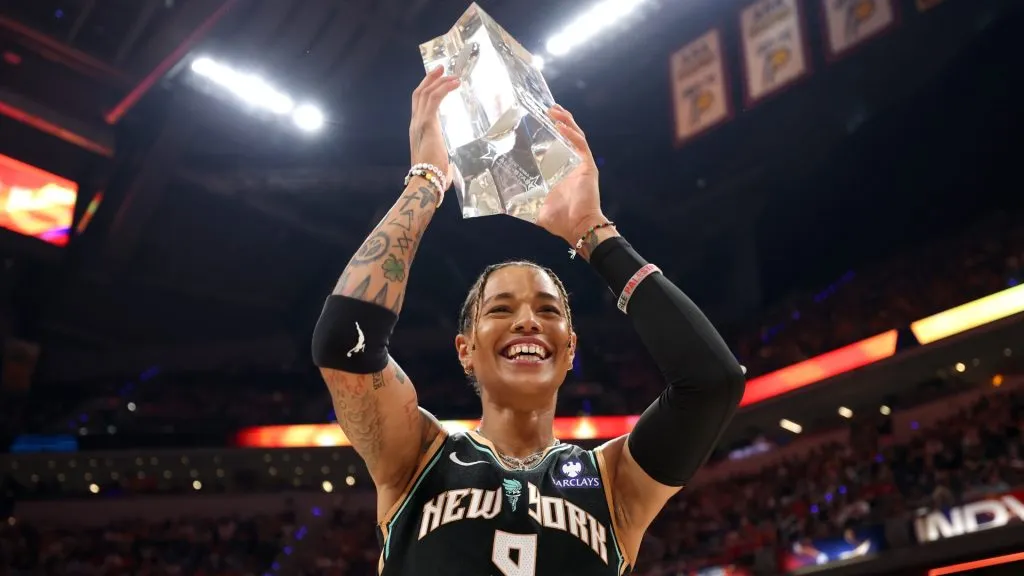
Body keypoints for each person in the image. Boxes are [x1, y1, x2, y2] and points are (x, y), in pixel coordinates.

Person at [312, 66, 746, 575]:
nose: (527, 322)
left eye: (548, 310)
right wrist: (427, 182)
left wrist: (593, 233)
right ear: (465, 349)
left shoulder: (614, 483)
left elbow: (712, 383)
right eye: (500, 308)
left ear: (570, 348)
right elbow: (345, 341)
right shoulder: (416, 456)